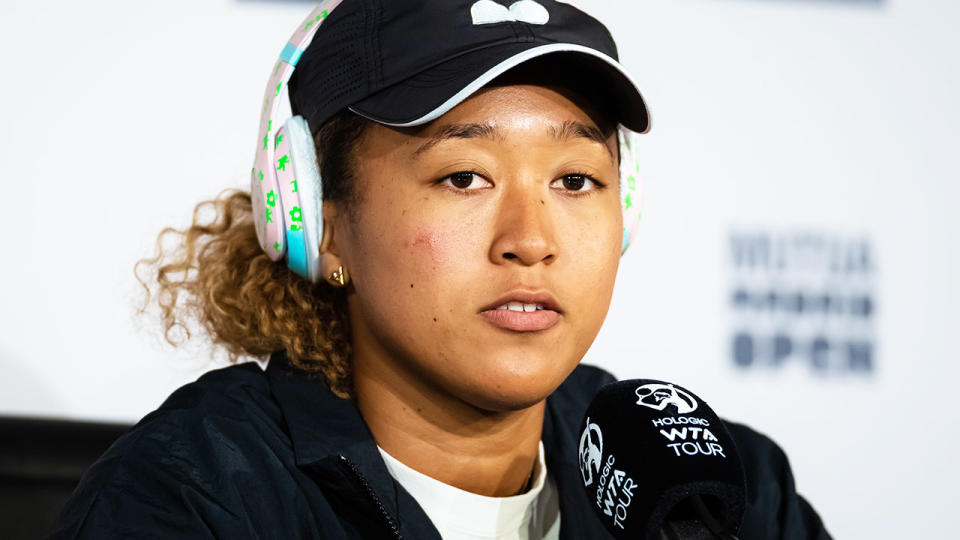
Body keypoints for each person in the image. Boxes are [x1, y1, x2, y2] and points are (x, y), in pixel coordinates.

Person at [49, 0, 831, 538]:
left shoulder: (716, 487)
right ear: (316, 222)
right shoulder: (198, 499)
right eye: (465, 177)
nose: (531, 239)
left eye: (574, 180)